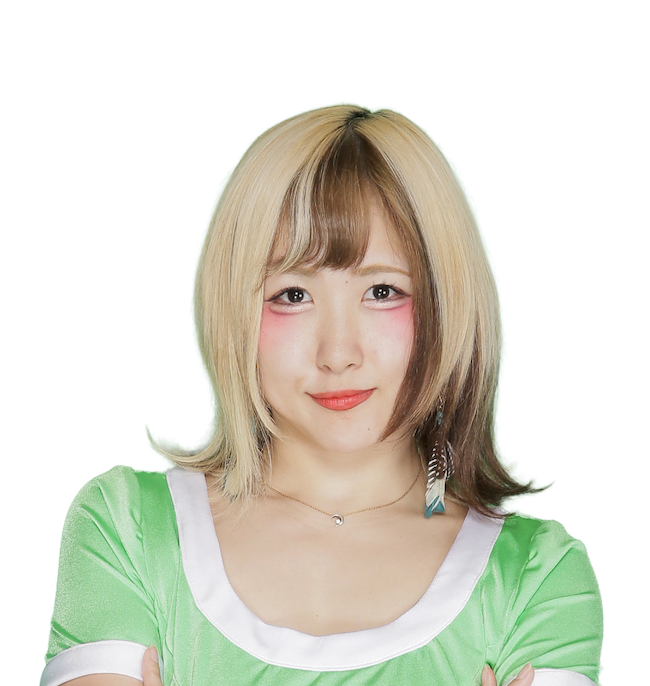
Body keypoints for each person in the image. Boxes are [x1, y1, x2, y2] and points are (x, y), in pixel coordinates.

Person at [41, 105, 603, 686]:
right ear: (233, 308)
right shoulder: (130, 531)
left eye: (382, 291)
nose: (338, 353)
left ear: (447, 302)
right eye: (292, 295)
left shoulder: (533, 578)